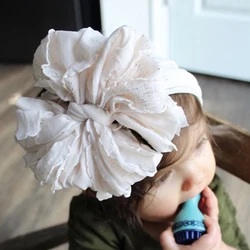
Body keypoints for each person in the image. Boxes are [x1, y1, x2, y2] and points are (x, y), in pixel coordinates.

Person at [15, 26, 249, 250]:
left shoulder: (209, 194)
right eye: (161, 179)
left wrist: (217, 246)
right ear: (112, 190)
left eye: (198, 145)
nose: (196, 177)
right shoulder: (94, 220)